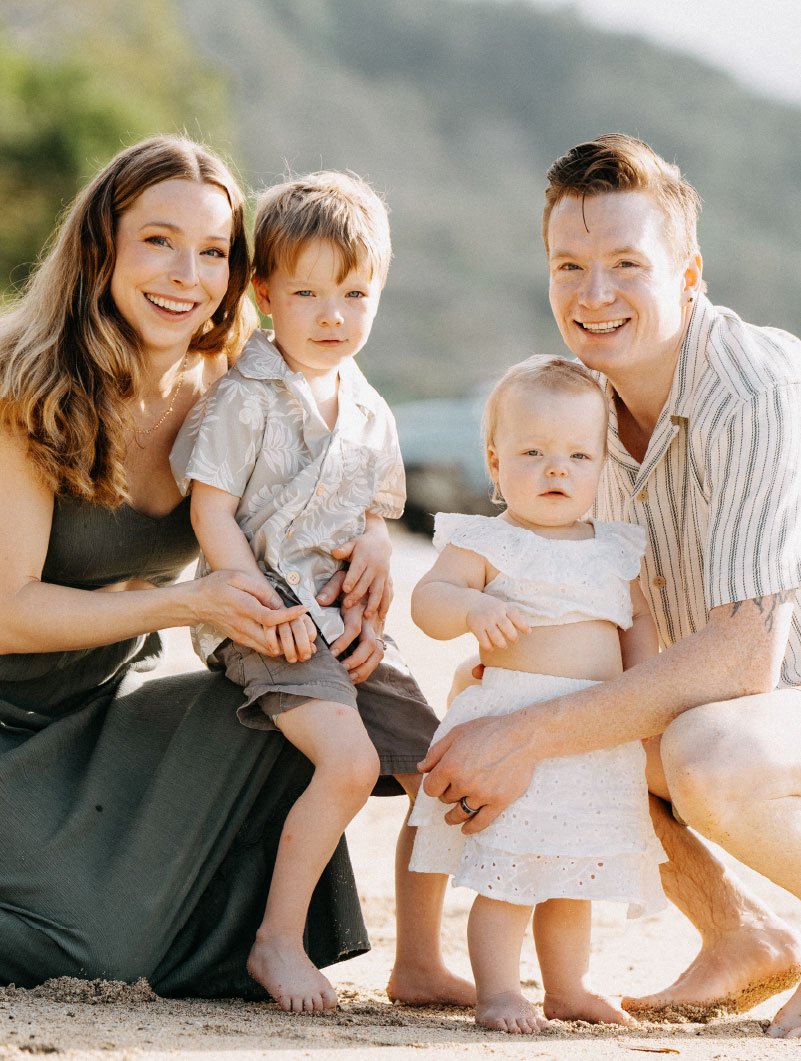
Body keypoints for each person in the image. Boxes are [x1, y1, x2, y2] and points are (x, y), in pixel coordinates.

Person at [418, 133, 801, 1037]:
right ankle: (741, 934)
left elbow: (743, 658)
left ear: (688, 274)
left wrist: (525, 733)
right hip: (763, 701)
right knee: (513, 691)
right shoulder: (579, 405)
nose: (593, 294)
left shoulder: (750, 390)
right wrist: (507, 696)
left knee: (703, 749)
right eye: (569, 266)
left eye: (626, 264)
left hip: (764, 694)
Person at [0, 136, 390, 998]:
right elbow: (9, 612)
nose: (187, 274)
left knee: (294, 706)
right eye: (158, 240)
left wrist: (366, 554)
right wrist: (193, 602)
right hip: (6, 714)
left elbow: (319, 488)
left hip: (95, 706)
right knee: (101, 950)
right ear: (101, 246)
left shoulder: (232, 387)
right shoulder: (25, 384)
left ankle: (261, 939)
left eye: (213, 251)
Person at [170, 171, 475, 1014]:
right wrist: (254, 600)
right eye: (307, 293)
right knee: (350, 762)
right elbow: (211, 510)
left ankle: (419, 959)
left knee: (440, 772)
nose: (332, 314)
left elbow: (373, 511)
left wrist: (375, 543)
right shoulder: (245, 397)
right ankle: (278, 938)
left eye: (354, 293)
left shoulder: (369, 407)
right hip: (263, 614)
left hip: (343, 619)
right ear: (265, 295)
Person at [409, 355, 665, 1034]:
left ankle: (567, 987)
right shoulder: (488, 541)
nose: (557, 470)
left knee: (572, 873)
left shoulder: (616, 546)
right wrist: (470, 607)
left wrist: (644, 696)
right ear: (494, 463)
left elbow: (638, 622)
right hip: (510, 724)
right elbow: (428, 601)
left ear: (601, 465)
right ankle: (498, 990)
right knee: (510, 870)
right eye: (533, 453)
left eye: (578, 455)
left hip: (592, 734)